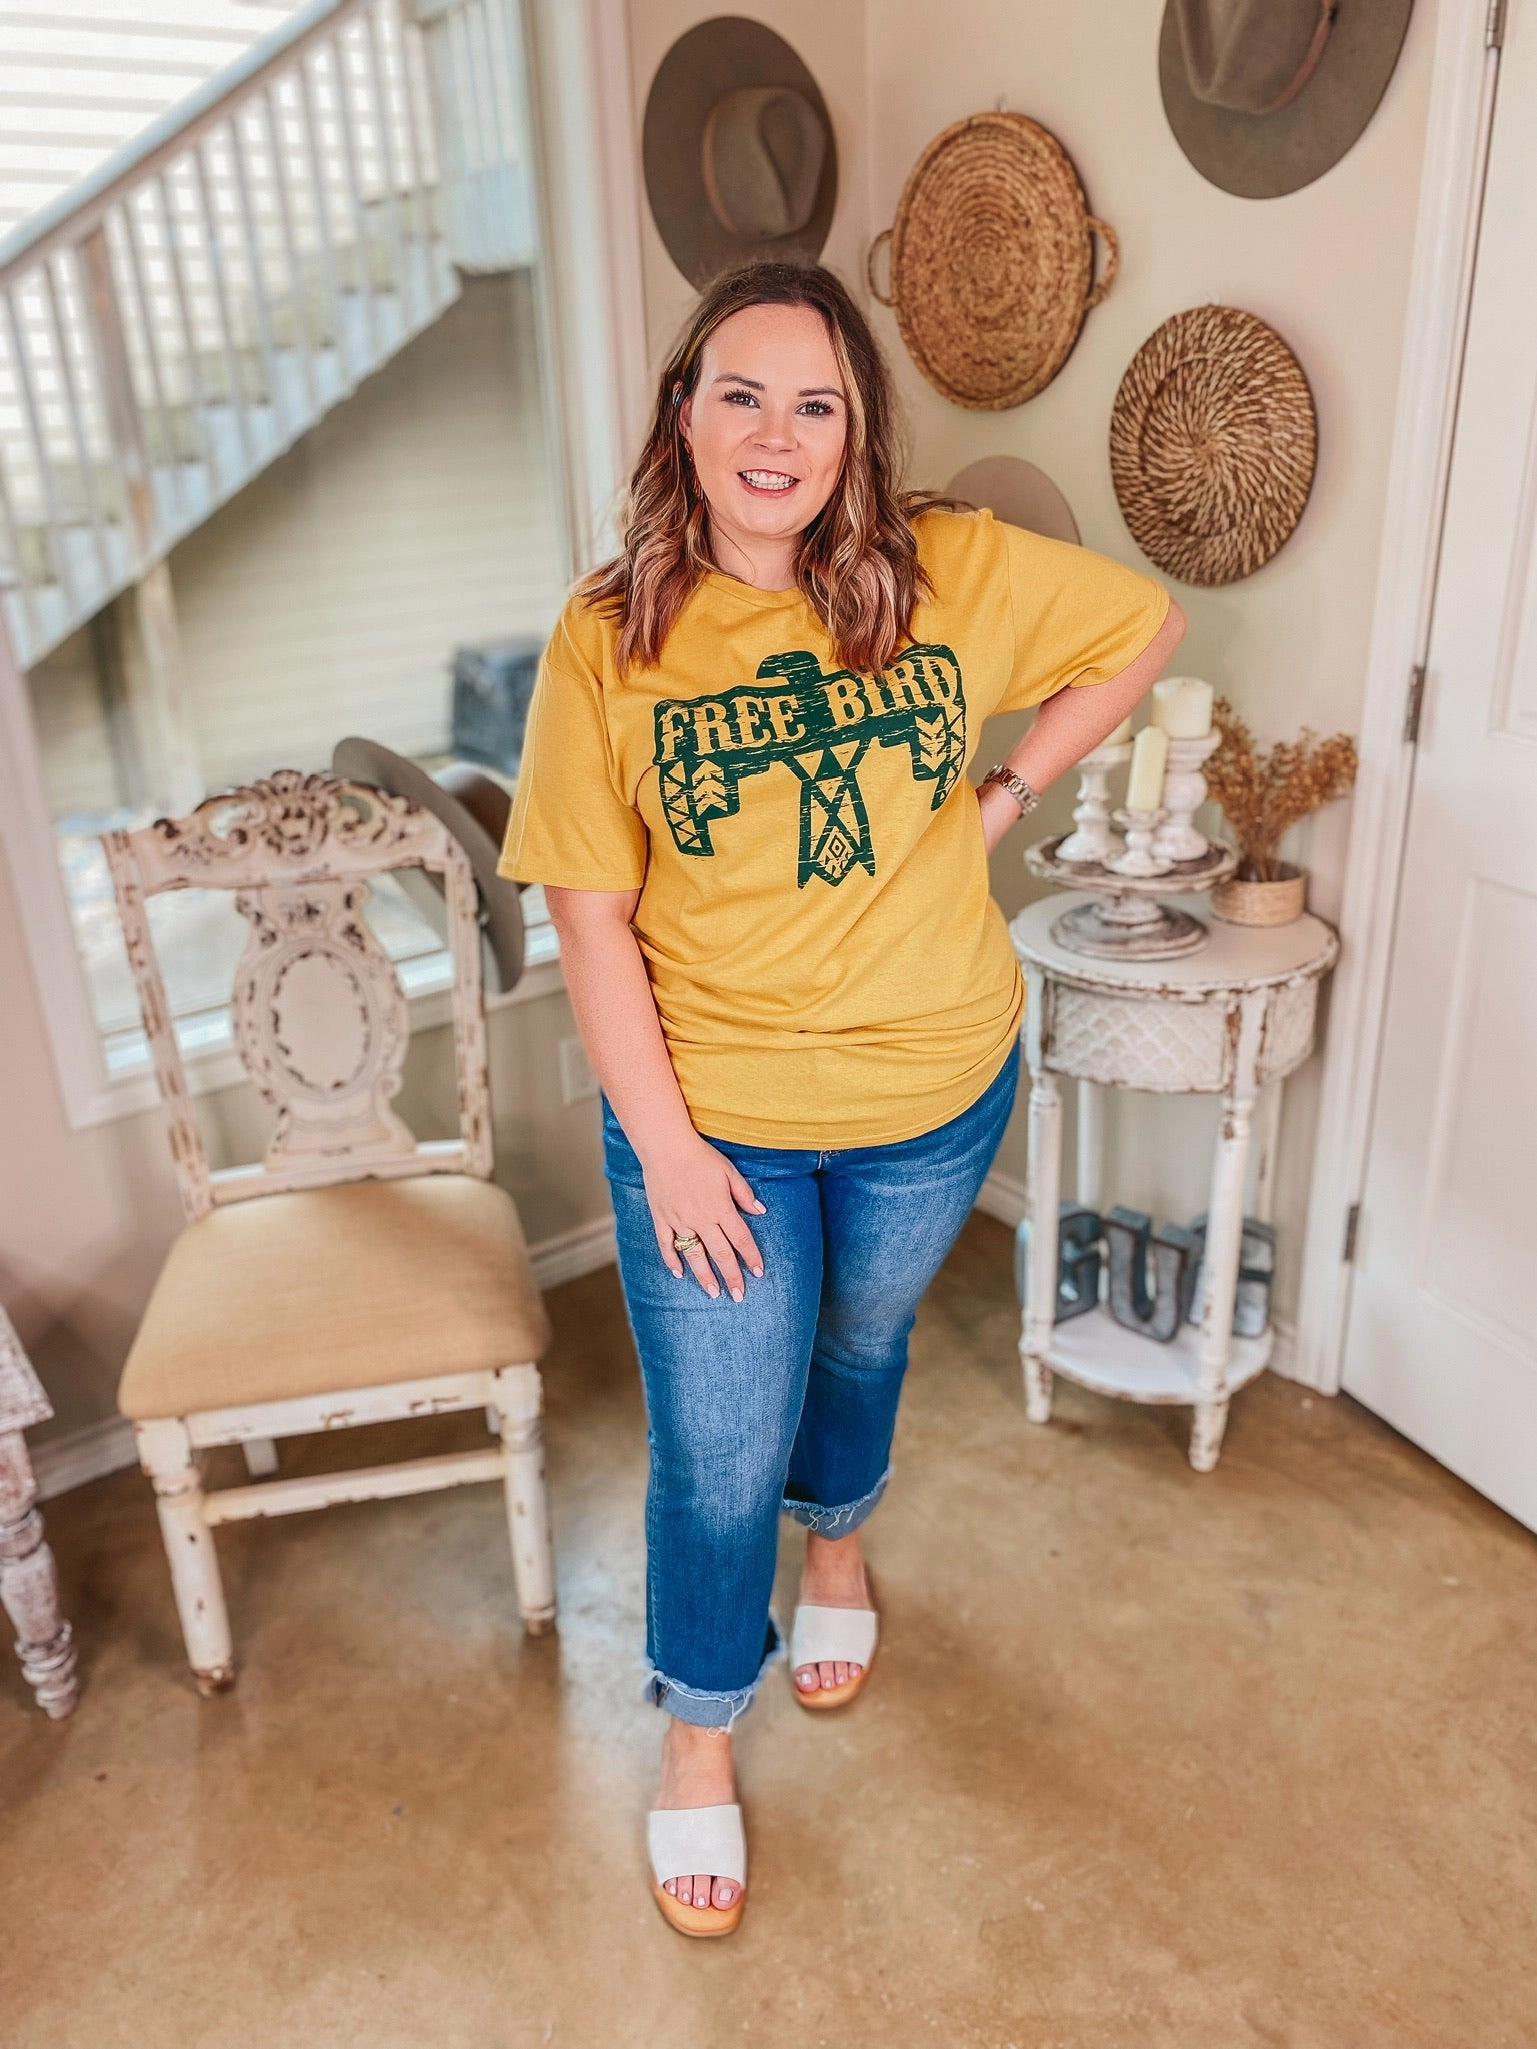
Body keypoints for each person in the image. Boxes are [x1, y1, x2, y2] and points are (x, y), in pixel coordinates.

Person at [498, 260, 1184, 1937]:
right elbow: (588, 911)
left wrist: (1003, 793)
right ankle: (696, 1741)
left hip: (932, 1083)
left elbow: (1141, 626)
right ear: (684, 410)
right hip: (711, 1114)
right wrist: (660, 1150)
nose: (778, 434)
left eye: (818, 403)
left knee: (862, 1351)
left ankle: (844, 1551)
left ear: (855, 431)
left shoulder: (941, 567)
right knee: (718, 1444)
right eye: (742, 392)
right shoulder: (609, 640)